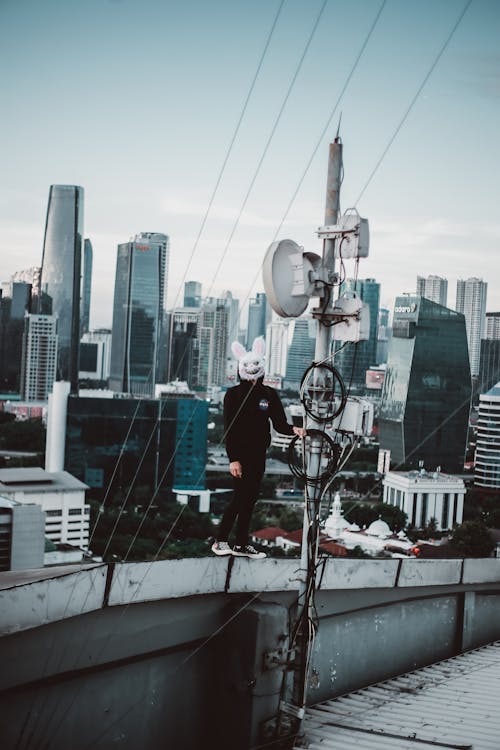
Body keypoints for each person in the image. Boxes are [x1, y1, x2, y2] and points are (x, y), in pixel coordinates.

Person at [212, 337, 306, 559]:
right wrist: (233, 459)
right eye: (248, 365)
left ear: (262, 366)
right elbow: (229, 428)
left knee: (250, 498)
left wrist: (296, 430)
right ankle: (220, 541)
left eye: (256, 364)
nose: (252, 369)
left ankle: (241, 545)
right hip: (240, 456)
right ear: (241, 368)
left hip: (258, 454)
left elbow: (280, 424)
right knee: (240, 497)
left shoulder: (269, 395)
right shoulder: (233, 394)